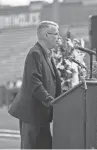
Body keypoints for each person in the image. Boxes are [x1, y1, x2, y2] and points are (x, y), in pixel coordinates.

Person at [8, 21, 62, 149]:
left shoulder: (47, 54)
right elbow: (34, 83)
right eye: (56, 34)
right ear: (46, 35)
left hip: (41, 114)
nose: (59, 38)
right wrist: (51, 101)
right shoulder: (35, 53)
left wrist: (61, 99)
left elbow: (54, 81)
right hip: (32, 114)